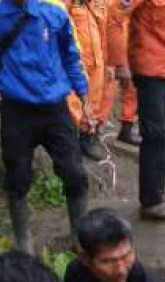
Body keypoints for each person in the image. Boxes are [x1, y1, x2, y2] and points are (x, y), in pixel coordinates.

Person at [0, 0, 92, 254]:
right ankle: (23, 244)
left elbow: (71, 54)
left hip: (55, 108)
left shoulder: (55, 11)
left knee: (74, 173)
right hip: (17, 111)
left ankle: (79, 239)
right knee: (17, 178)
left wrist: (83, 94)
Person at [127, 0, 165, 220]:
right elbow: (117, 15)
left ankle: (159, 192)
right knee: (155, 134)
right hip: (149, 69)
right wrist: (120, 62)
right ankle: (150, 201)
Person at [64, 0, 112, 161]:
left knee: (94, 101)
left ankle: (86, 140)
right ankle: (70, 143)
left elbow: (103, 33)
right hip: (77, 61)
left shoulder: (96, 4)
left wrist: (107, 62)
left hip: (97, 61)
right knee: (73, 104)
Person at [102, 0, 141, 146]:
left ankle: (126, 127)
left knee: (131, 87)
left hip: (126, 38)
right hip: (111, 38)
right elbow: (115, 17)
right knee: (106, 87)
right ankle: (90, 130)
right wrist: (117, 60)